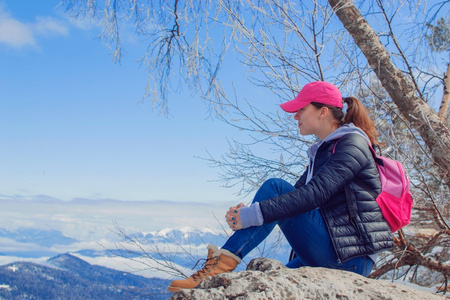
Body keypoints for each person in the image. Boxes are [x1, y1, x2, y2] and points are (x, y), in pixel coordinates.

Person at [168, 81, 394, 292]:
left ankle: (218, 265)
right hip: (333, 250)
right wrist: (245, 214)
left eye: (301, 110)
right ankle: (218, 266)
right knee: (264, 282)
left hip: (349, 259)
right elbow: (290, 201)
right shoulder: (326, 150)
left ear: (322, 111)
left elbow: (312, 195)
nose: (295, 116)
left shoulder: (352, 145)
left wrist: (251, 215)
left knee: (274, 186)